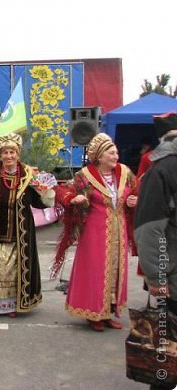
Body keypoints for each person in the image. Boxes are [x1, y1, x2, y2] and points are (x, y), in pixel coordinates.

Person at [53, 133, 138, 332]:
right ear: (99, 156)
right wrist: (73, 200)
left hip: (119, 230)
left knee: (116, 269)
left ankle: (109, 312)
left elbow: (136, 192)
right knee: (96, 270)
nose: (115, 155)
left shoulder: (125, 173)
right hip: (94, 230)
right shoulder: (85, 175)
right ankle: (93, 313)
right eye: (110, 152)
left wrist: (133, 201)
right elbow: (63, 191)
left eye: (116, 151)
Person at [0, 133, 54, 318]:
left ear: (18, 154)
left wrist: (45, 192)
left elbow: (38, 203)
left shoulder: (29, 175)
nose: (9, 156)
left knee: (17, 269)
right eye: (5, 152)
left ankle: (14, 305)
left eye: (12, 152)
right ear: (0, 154)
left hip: (21, 231)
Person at [134, 112, 177, 390]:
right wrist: (158, 279)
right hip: (173, 280)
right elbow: (150, 231)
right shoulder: (162, 170)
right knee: (167, 350)